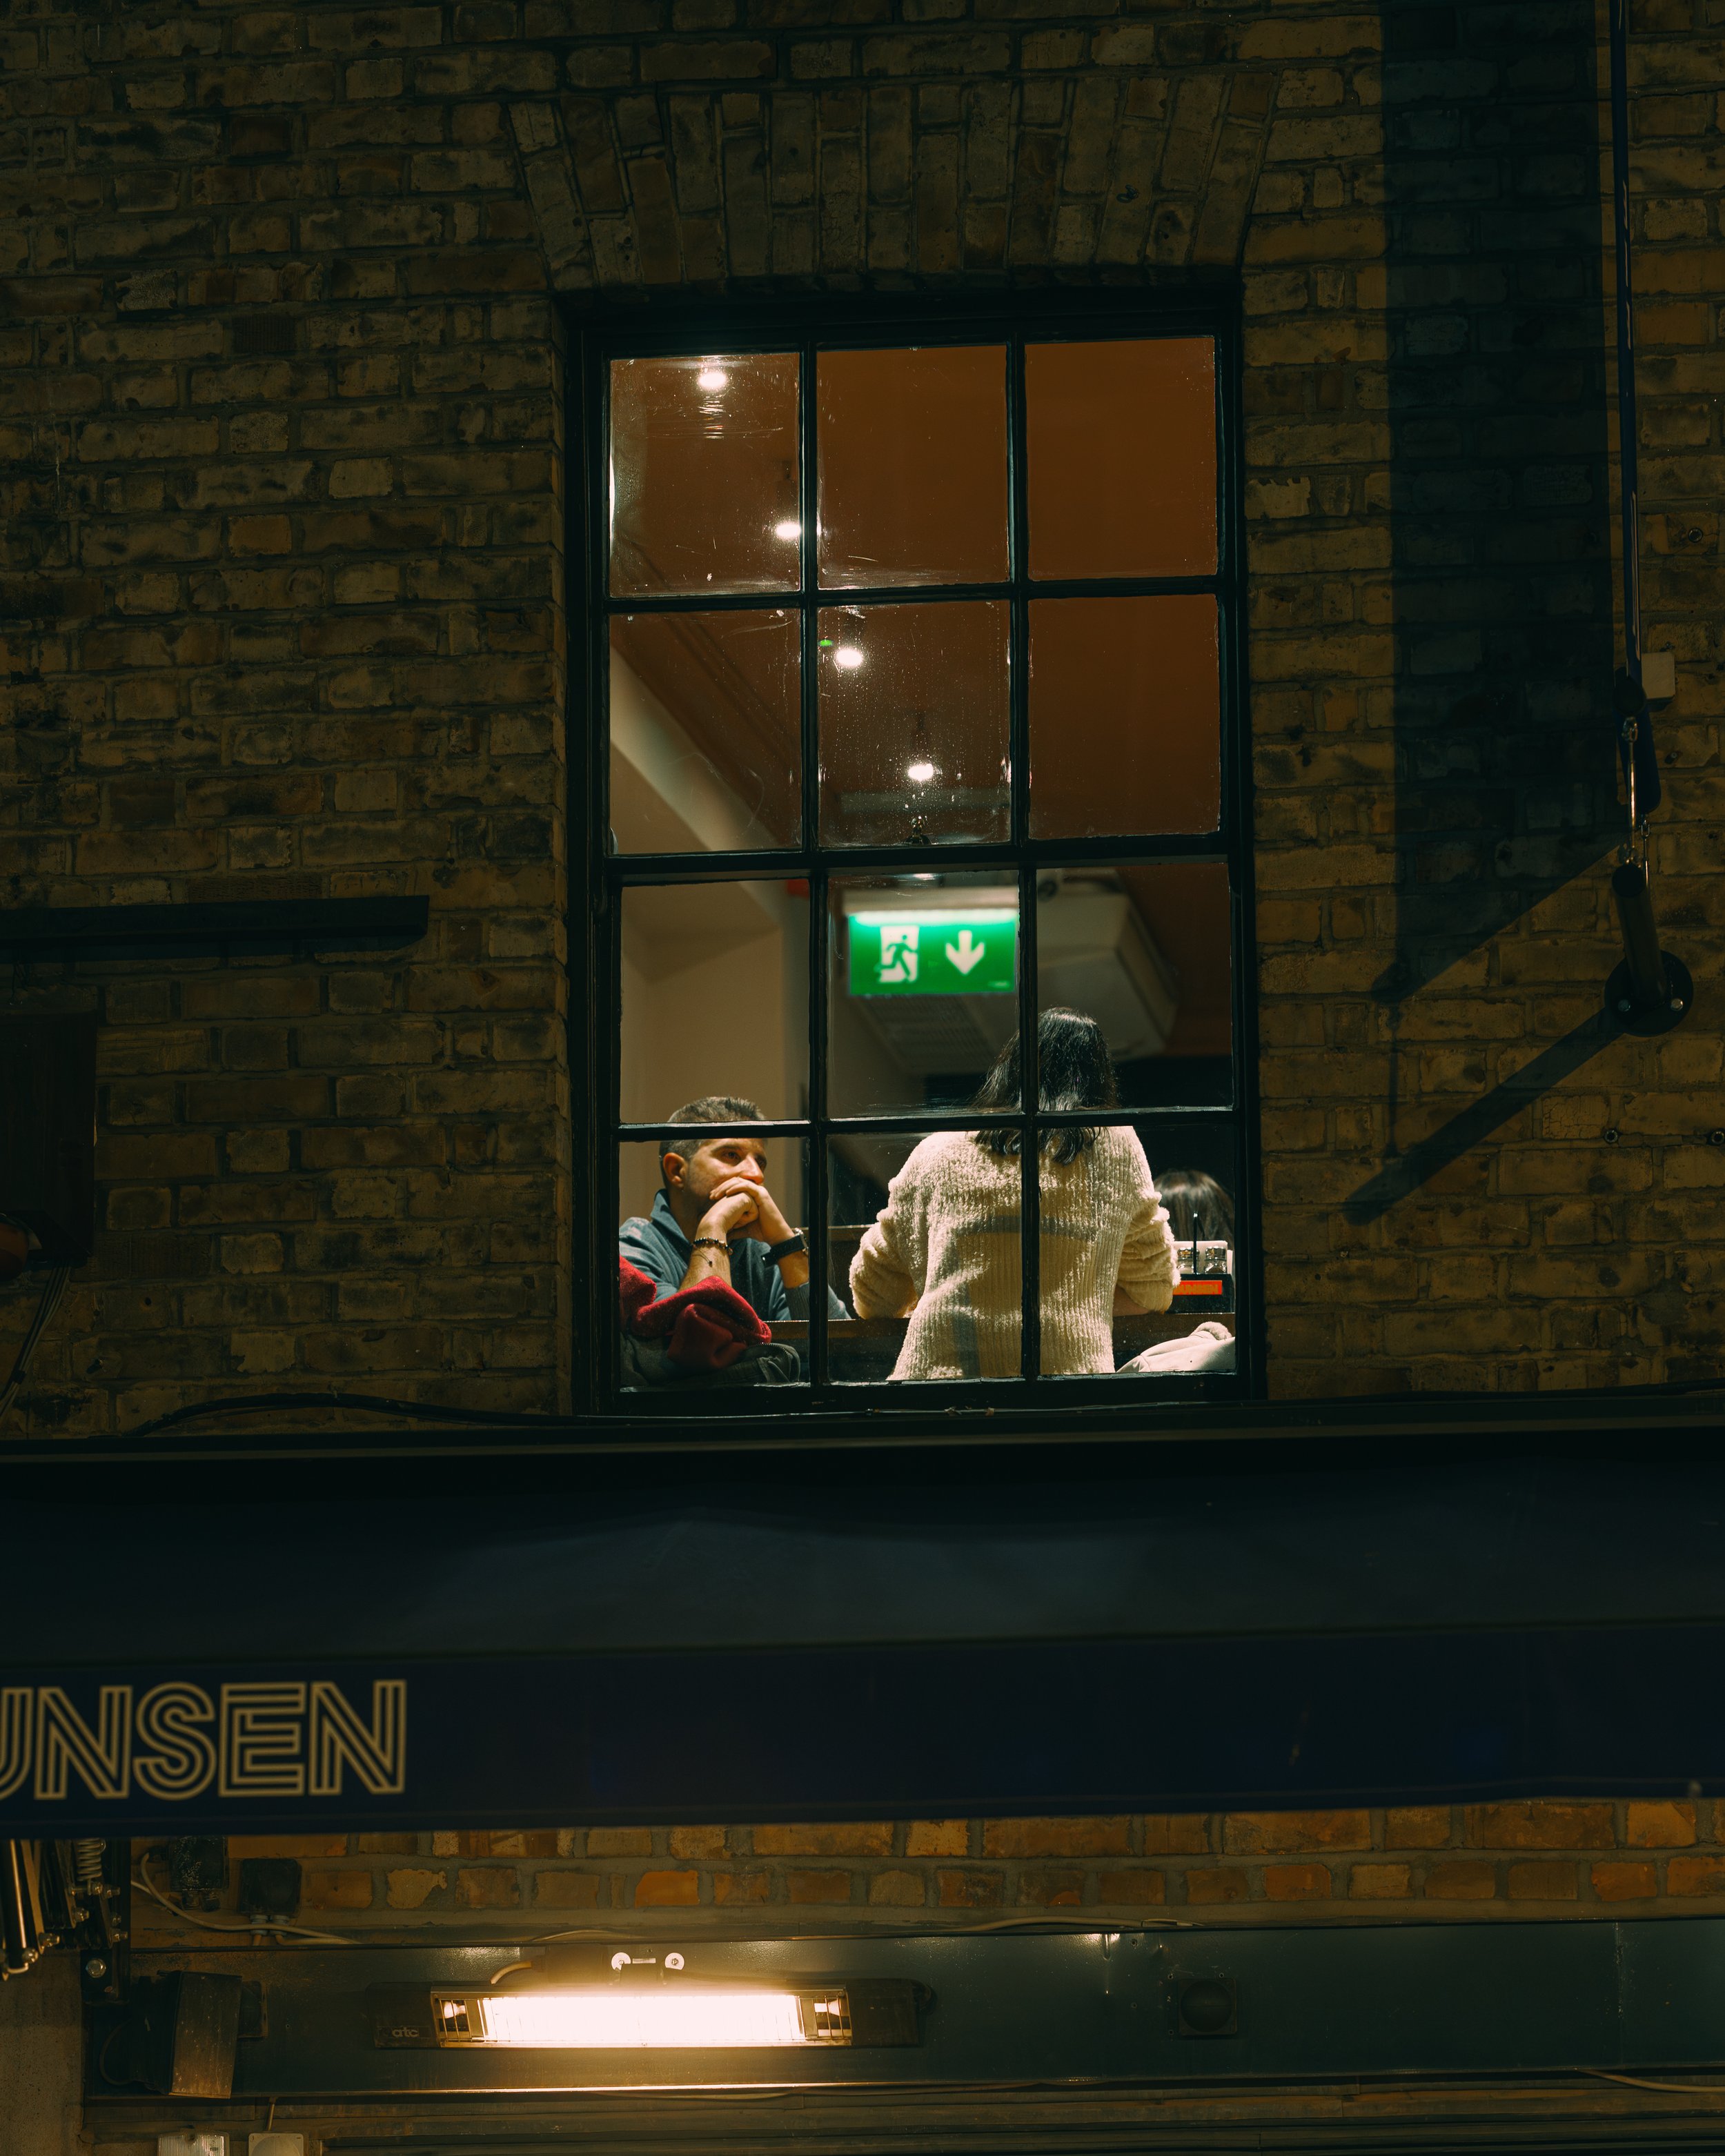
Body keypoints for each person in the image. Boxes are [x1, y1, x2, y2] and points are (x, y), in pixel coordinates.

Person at [847, 1009, 1179, 1381]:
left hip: (936, 1395)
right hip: (1063, 1398)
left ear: (1009, 1068)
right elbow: (1154, 1288)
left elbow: (873, 1294)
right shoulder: (1114, 1145)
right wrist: (1079, 1295)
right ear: (1100, 1082)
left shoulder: (936, 1151)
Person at [620, 1096, 847, 1324]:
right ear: (677, 1170)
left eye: (760, 1162)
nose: (756, 1175)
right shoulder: (633, 1247)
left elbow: (840, 1352)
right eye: (731, 1155)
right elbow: (700, 1342)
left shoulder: (759, 1253)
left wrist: (785, 1242)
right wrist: (714, 1226)